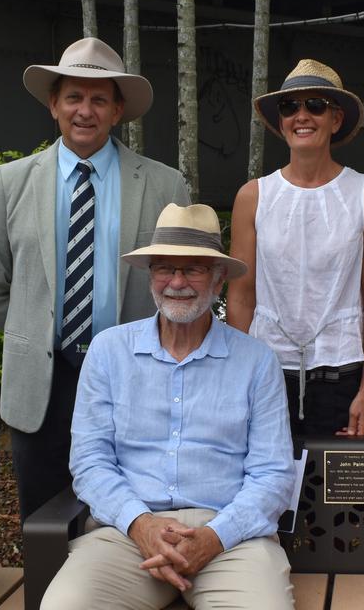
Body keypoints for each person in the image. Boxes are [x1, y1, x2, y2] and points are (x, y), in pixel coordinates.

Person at [0, 37, 189, 519]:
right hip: (41, 382)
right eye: (73, 96)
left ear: (117, 110)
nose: (84, 110)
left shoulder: (163, 184)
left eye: (98, 99)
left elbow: (181, 279)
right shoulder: (10, 182)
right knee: (43, 524)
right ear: (53, 105)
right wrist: (37, 331)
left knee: (132, 516)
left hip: (132, 377)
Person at [41, 203, 296, 610]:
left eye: (193, 268)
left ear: (218, 281)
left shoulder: (256, 360)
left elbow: (273, 475)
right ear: (150, 277)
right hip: (127, 535)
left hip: (230, 537)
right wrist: (141, 524)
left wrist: (214, 537)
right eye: (164, 268)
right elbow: (90, 462)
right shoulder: (109, 351)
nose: (177, 282)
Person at [228, 59, 364, 437]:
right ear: (281, 120)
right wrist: (238, 378)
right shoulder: (253, 196)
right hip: (266, 372)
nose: (302, 116)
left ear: (336, 119)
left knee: (346, 494)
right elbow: (240, 295)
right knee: (268, 491)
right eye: (290, 107)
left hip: (345, 371)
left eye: (315, 105)